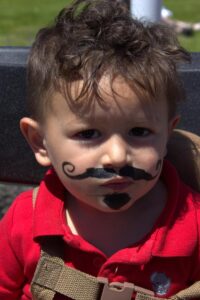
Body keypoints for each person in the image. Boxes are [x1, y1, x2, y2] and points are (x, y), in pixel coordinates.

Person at [0, 0, 199, 299]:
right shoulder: (24, 223)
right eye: (89, 133)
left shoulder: (192, 224)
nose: (117, 156)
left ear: (166, 135)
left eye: (140, 132)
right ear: (40, 142)